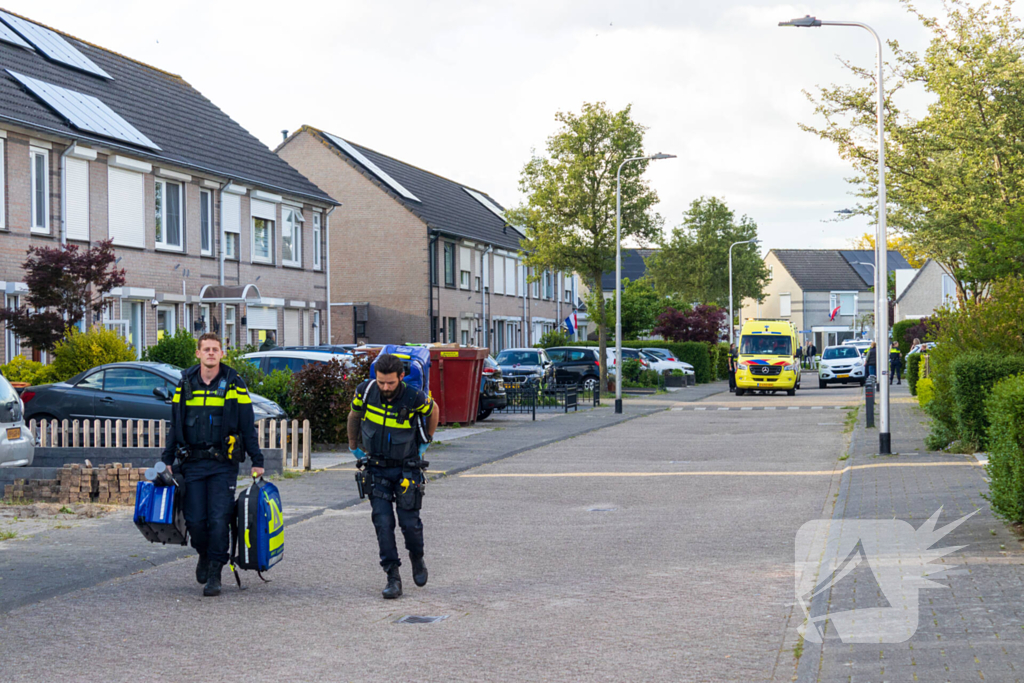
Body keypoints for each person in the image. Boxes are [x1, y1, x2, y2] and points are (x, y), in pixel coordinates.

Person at [161, 333, 264, 597]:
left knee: (219, 520)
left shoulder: (234, 383)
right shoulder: (184, 383)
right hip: (192, 463)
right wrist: (167, 459)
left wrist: (257, 460)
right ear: (198, 354)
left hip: (222, 464)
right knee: (195, 521)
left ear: (222, 353)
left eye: (215, 349)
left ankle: (215, 571)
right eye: (206, 349)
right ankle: (204, 554)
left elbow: (246, 424)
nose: (210, 353)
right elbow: (175, 424)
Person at [348, 353, 439, 599]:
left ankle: (417, 557)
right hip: (376, 468)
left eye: (390, 382)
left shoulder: (413, 396)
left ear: (401, 377)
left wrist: (425, 443)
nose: (385, 387)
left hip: (406, 468)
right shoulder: (365, 391)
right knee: (383, 523)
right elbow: (354, 416)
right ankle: (392, 576)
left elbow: (434, 411)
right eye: (381, 382)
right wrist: (353, 445)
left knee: (410, 524)